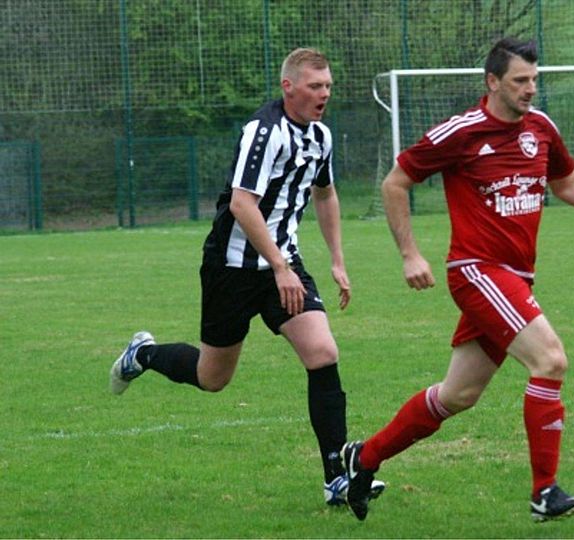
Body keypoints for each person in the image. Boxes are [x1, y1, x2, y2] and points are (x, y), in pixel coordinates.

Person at [342, 37, 574, 523]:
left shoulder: (541, 128)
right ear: (492, 82)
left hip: (515, 278)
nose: (530, 89)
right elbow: (395, 182)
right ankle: (544, 492)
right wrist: (410, 254)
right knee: (550, 360)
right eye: (519, 81)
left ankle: (363, 458)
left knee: (457, 395)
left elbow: (565, 182)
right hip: (476, 271)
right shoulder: (462, 132)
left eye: (534, 79)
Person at [109, 47, 383, 506]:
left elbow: (326, 194)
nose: (324, 94)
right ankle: (144, 354)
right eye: (315, 86)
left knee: (322, 353)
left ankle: (336, 478)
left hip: (282, 265)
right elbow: (242, 203)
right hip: (232, 269)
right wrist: (279, 266)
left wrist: (336, 260)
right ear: (288, 87)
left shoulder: (320, 136)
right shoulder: (264, 132)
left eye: (328, 86)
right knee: (212, 377)